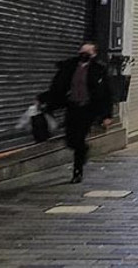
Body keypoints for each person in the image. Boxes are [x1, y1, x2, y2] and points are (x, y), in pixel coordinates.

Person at [37, 42, 112, 183]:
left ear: (93, 55)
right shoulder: (69, 67)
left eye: (87, 52)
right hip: (72, 107)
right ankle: (83, 149)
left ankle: (77, 172)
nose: (83, 54)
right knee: (71, 139)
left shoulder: (99, 70)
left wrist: (107, 115)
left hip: (88, 109)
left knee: (79, 137)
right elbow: (57, 87)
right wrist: (43, 99)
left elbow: (106, 94)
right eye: (81, 51)